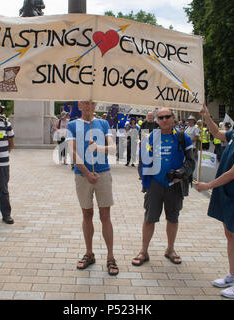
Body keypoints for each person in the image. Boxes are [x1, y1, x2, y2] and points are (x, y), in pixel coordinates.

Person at [194, 101, 234, 299]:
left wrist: (208, 185)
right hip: (227, 194)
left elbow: (232, 173)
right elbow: (216, 133)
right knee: (230, 234)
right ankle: (232, 275)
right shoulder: (233, 137)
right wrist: (206, 115)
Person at [132, 108, 195, 267]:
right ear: (157, 120)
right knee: (149, 218)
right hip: (155, 184)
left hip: (174, 185)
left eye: (168, 116)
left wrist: (182, 172)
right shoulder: (150, 138)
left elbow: (191, 161)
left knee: (173, 218)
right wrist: (144, 178)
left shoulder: (182, 138)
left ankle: (170, 249)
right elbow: (142, 160)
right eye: (161, 117)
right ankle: (143, 251)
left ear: (173, 119)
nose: (164, 119)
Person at [66, 100, 119, 276]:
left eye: (91, 104)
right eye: (84, 104)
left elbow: (113, 148)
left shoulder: (103, 123)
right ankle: (89, 253)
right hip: (82, 175)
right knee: (87, 214)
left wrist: (98, 147)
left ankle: (110, 256)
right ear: (79, 106)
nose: (88, 107)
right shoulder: (72, 125)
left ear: (95, 105)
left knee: (105, 215)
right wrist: (87, 173)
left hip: (102, 173)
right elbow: (72, 152)